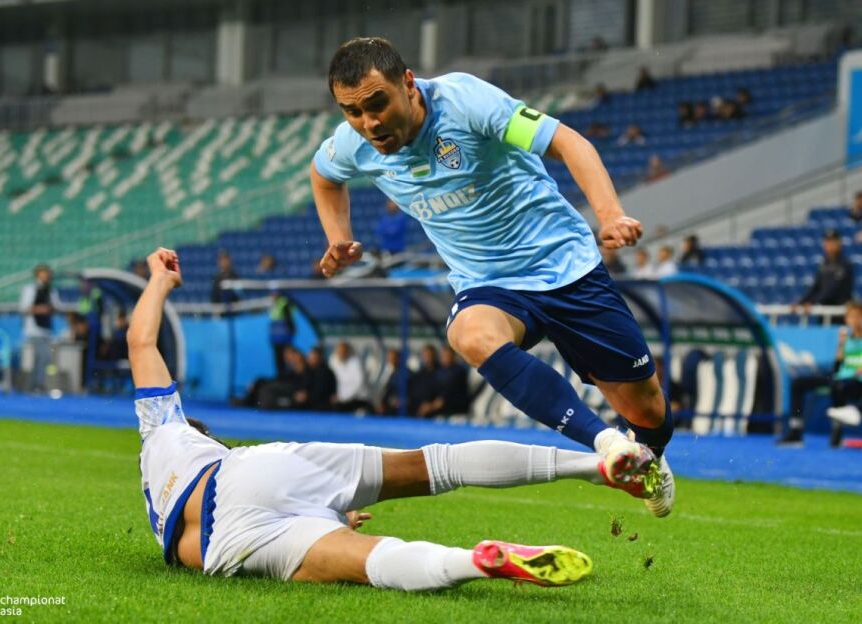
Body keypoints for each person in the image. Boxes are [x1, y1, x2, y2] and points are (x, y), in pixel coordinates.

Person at [129, 247, 661, 588]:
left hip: (221, 542)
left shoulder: (160, 507)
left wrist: (328, 520)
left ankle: (474, 563)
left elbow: (230, 527)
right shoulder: (164, 428)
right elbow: (142, 341)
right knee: (437, 464)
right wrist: (159, 281)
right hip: (249, 471)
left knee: (367, 561)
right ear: (204, 434)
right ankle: (595, 466)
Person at [310, 37, 674, 517]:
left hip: (565, 267)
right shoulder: (353, 142)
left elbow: (568, 142)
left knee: (648, 411)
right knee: (469, 334)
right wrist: (338, 237)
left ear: (408, 84)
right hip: (488, 284)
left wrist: (609, 215)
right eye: (352, 111)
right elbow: (324, 176)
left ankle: (648, 455)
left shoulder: (466, 102)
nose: (368, 122)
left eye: (377, 103)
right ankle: (606, 443)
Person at [778, 301, 862, 447]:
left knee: (839, 386)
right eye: (851, 317)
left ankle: (839, 430)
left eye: (857, 316)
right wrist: (841, 345)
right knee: (798, 383)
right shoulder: (846, 339)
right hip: (840, 378)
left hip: (856, 382)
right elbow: (837, 367)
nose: (854, 320)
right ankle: (795, 430)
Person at [19, 264, 61, 393]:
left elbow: (57, 307)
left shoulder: (51, 291)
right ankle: (37, 384)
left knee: (42, 358)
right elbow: (24, 308)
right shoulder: (30, 289)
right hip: (34, 329)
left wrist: (50, 309)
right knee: (43, 356)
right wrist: (40, 309)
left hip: (46, 330)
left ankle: (35, 385)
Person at [794, 229, 854, 314]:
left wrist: (813, 302)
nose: (829, 245)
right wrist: (801, 302)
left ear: (839, 243)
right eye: (827, 242)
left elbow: (833, 289)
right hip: (824, 310)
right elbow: (815, 286)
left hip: (838, 312)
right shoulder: (823, 264)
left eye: (833, 242)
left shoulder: (845, 264)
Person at [329, 341, 373, 413]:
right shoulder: (333, 361)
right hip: (342, 400)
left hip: (359, 399)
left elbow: (358, 383)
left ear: (347, 352)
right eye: (339, 351)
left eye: (343, 351)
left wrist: (344, 397)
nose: (340, 354)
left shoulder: (356, 363)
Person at [408, 344, 440, 418]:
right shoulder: (419, 374)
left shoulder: (441, 373)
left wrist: (431, 406)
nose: (428, 357)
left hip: (436, 414)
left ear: (434, 356)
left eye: (430, 355)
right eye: (425, 355)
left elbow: (442, 397)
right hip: (418, 413)